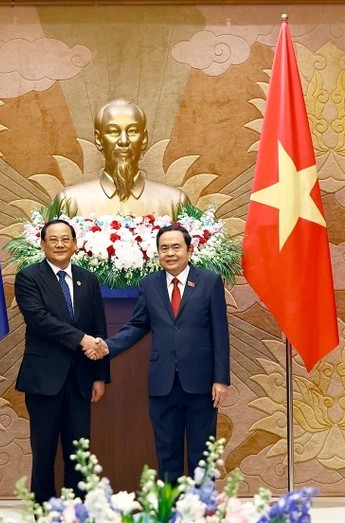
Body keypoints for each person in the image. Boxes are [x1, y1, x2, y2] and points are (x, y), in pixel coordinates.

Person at [93, 224, 230, 483]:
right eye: (164, 248)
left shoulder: (209, 281)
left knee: (203, 454)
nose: (170, 253)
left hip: (201, 382)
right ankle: (172, 510)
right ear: (157, 253)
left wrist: (220, 379)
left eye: (176, 247)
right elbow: (137, 326)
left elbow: (220, 332)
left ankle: (202, 510)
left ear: (190, 249)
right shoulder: (149, 284)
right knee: (167, 452)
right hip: (162, 383)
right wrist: (108, 347)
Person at [14, 219, 110, 503]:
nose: (59, 244)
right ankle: (43, 510)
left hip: (80, 380)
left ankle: (75, 509)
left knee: (78, 451)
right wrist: (82, 339)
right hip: (44, 378)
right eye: (53, 239)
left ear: (75, 244)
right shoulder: (29, 277)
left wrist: (100, 375)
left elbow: (99, 328)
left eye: (65, 239)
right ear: (43, 244)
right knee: (43, 451)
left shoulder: (88, 279)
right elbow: (40, 320)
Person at [56, 99, 190, 217]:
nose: (124, 141)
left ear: (144, 139)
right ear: (98, 140)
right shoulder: (70, 202)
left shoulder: (174, 202)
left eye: (132, 131)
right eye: (113, 132)